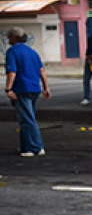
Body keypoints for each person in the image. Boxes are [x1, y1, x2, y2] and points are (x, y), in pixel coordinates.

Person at [5, 27, 50, 157]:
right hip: (34, 88)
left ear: (13, 37)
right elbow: (42, 71)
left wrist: (8, 89)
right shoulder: (32, 52)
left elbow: (12, 72)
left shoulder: (12, 52)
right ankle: (26, 146)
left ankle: (34, 147)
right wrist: (46, 87)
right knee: (28, 118)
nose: (8, 39)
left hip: (22, 88)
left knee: (27, 119)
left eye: (9, 37)